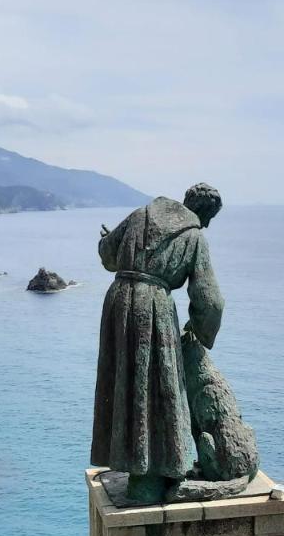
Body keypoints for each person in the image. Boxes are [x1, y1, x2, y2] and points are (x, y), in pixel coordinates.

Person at [90, 183, 225, 504]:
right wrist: (201, 332)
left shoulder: (141, 215)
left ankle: (134, 464)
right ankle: (153, 474)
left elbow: (109, 255)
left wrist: (114, 243)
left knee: (124, 383)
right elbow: (210, 300)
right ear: (205, 215)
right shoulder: (194, 237)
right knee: (159, 385)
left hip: (118, 301)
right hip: (153, 308)